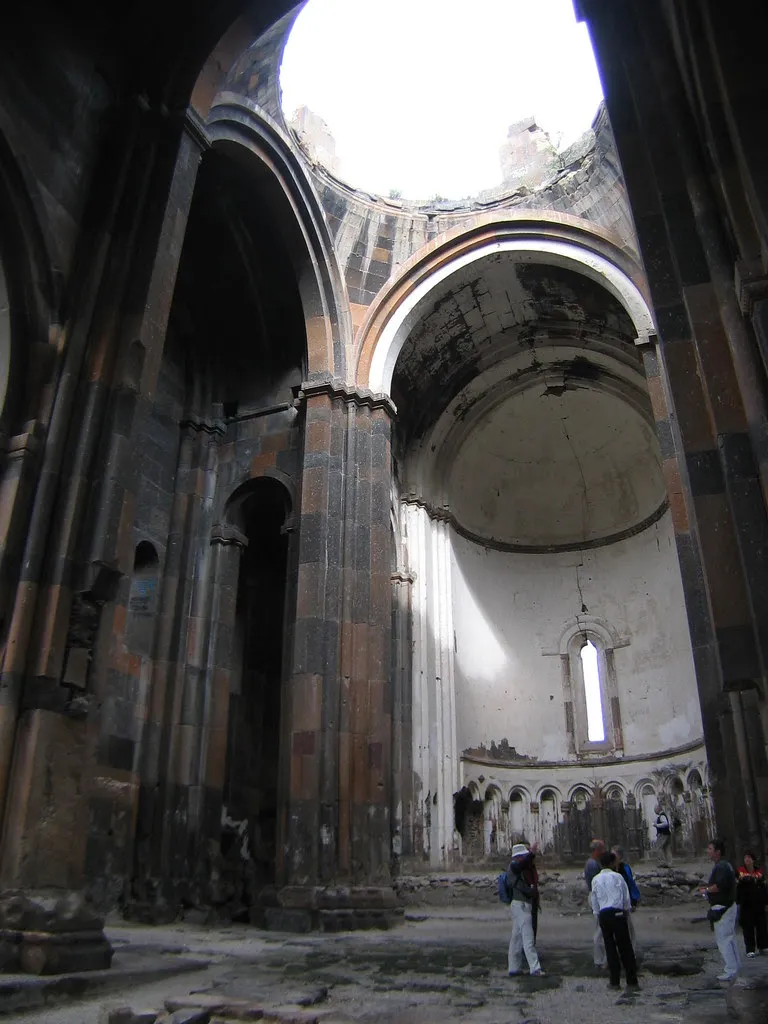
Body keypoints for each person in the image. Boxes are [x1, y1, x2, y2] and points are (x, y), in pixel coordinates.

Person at [590, 850, 639, 990]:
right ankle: (631, 980)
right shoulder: (617, 877)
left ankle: (614, 981)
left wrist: (597, 913)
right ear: (612, 863)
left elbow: (594, 899)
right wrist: (627, 909)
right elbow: (625, 896)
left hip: (604, 914)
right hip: (618, 912)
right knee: (625, 947)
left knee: (610, 947)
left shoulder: (596, 879)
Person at [699, 839, 740, 982]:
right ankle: (735, 966)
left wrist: (706, 890)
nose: (708, 851)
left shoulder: (722, 867)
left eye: (710, 849)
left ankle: (730, 969)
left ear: (717, 852)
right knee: (730, 938)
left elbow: (719, 885)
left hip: (723, 906)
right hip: (728, 905)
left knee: (724, 940)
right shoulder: (726, 865)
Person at [506, 842, 544, 977]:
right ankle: (535, 968)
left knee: (516, 938)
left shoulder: (519, 867)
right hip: (521, 905)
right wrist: (531, 853)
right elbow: (521, 864)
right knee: (528, 937)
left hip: (520, 905)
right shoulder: (514, 867)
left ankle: (514, 968)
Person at [736, 849, 768, 957]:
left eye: (749, 858)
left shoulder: (759, 870)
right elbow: (742, 878)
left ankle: (763, 946)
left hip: (759, 903)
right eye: (745, 858)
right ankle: (750, 949)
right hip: (746, 903)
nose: (747, 860)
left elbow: (761, 881)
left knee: (762, 926)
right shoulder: (740, 870)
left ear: (753, 860)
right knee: (748, 927)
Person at [585, 838, 607, 967]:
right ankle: (599, 959)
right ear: (597, 850)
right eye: (602, 848)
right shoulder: (593, 865)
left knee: (601, 928)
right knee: (600, 929)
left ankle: (601, 958)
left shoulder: (592, 863)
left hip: (595, 896)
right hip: (596, 897)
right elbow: (596, 884)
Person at [612, 845, 640, 944]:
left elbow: (631, 884)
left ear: (619, 856)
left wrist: (634, 901)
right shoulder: (610, 869)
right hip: (613, 902)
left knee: (627, 924)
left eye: (614, 855)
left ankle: (632, 945)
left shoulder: (624, 868)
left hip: (625, 901)